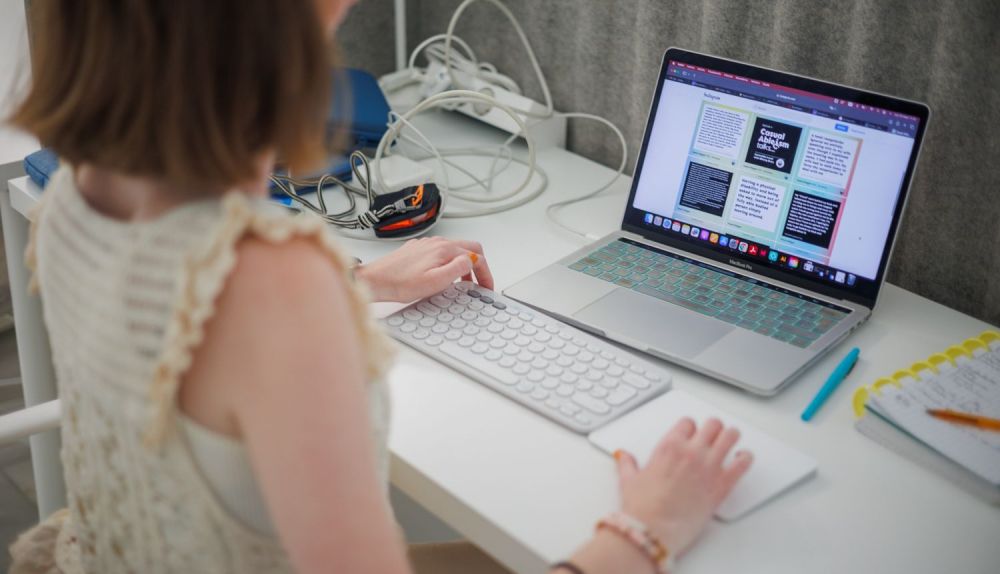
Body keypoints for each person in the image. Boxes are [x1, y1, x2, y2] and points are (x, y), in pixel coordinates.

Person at [6, 1, 753, 573]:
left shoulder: (82, 187)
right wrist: (645, 530)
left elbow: (188, 320)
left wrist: (356, 277)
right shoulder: (272, 282)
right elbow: (248, 303)